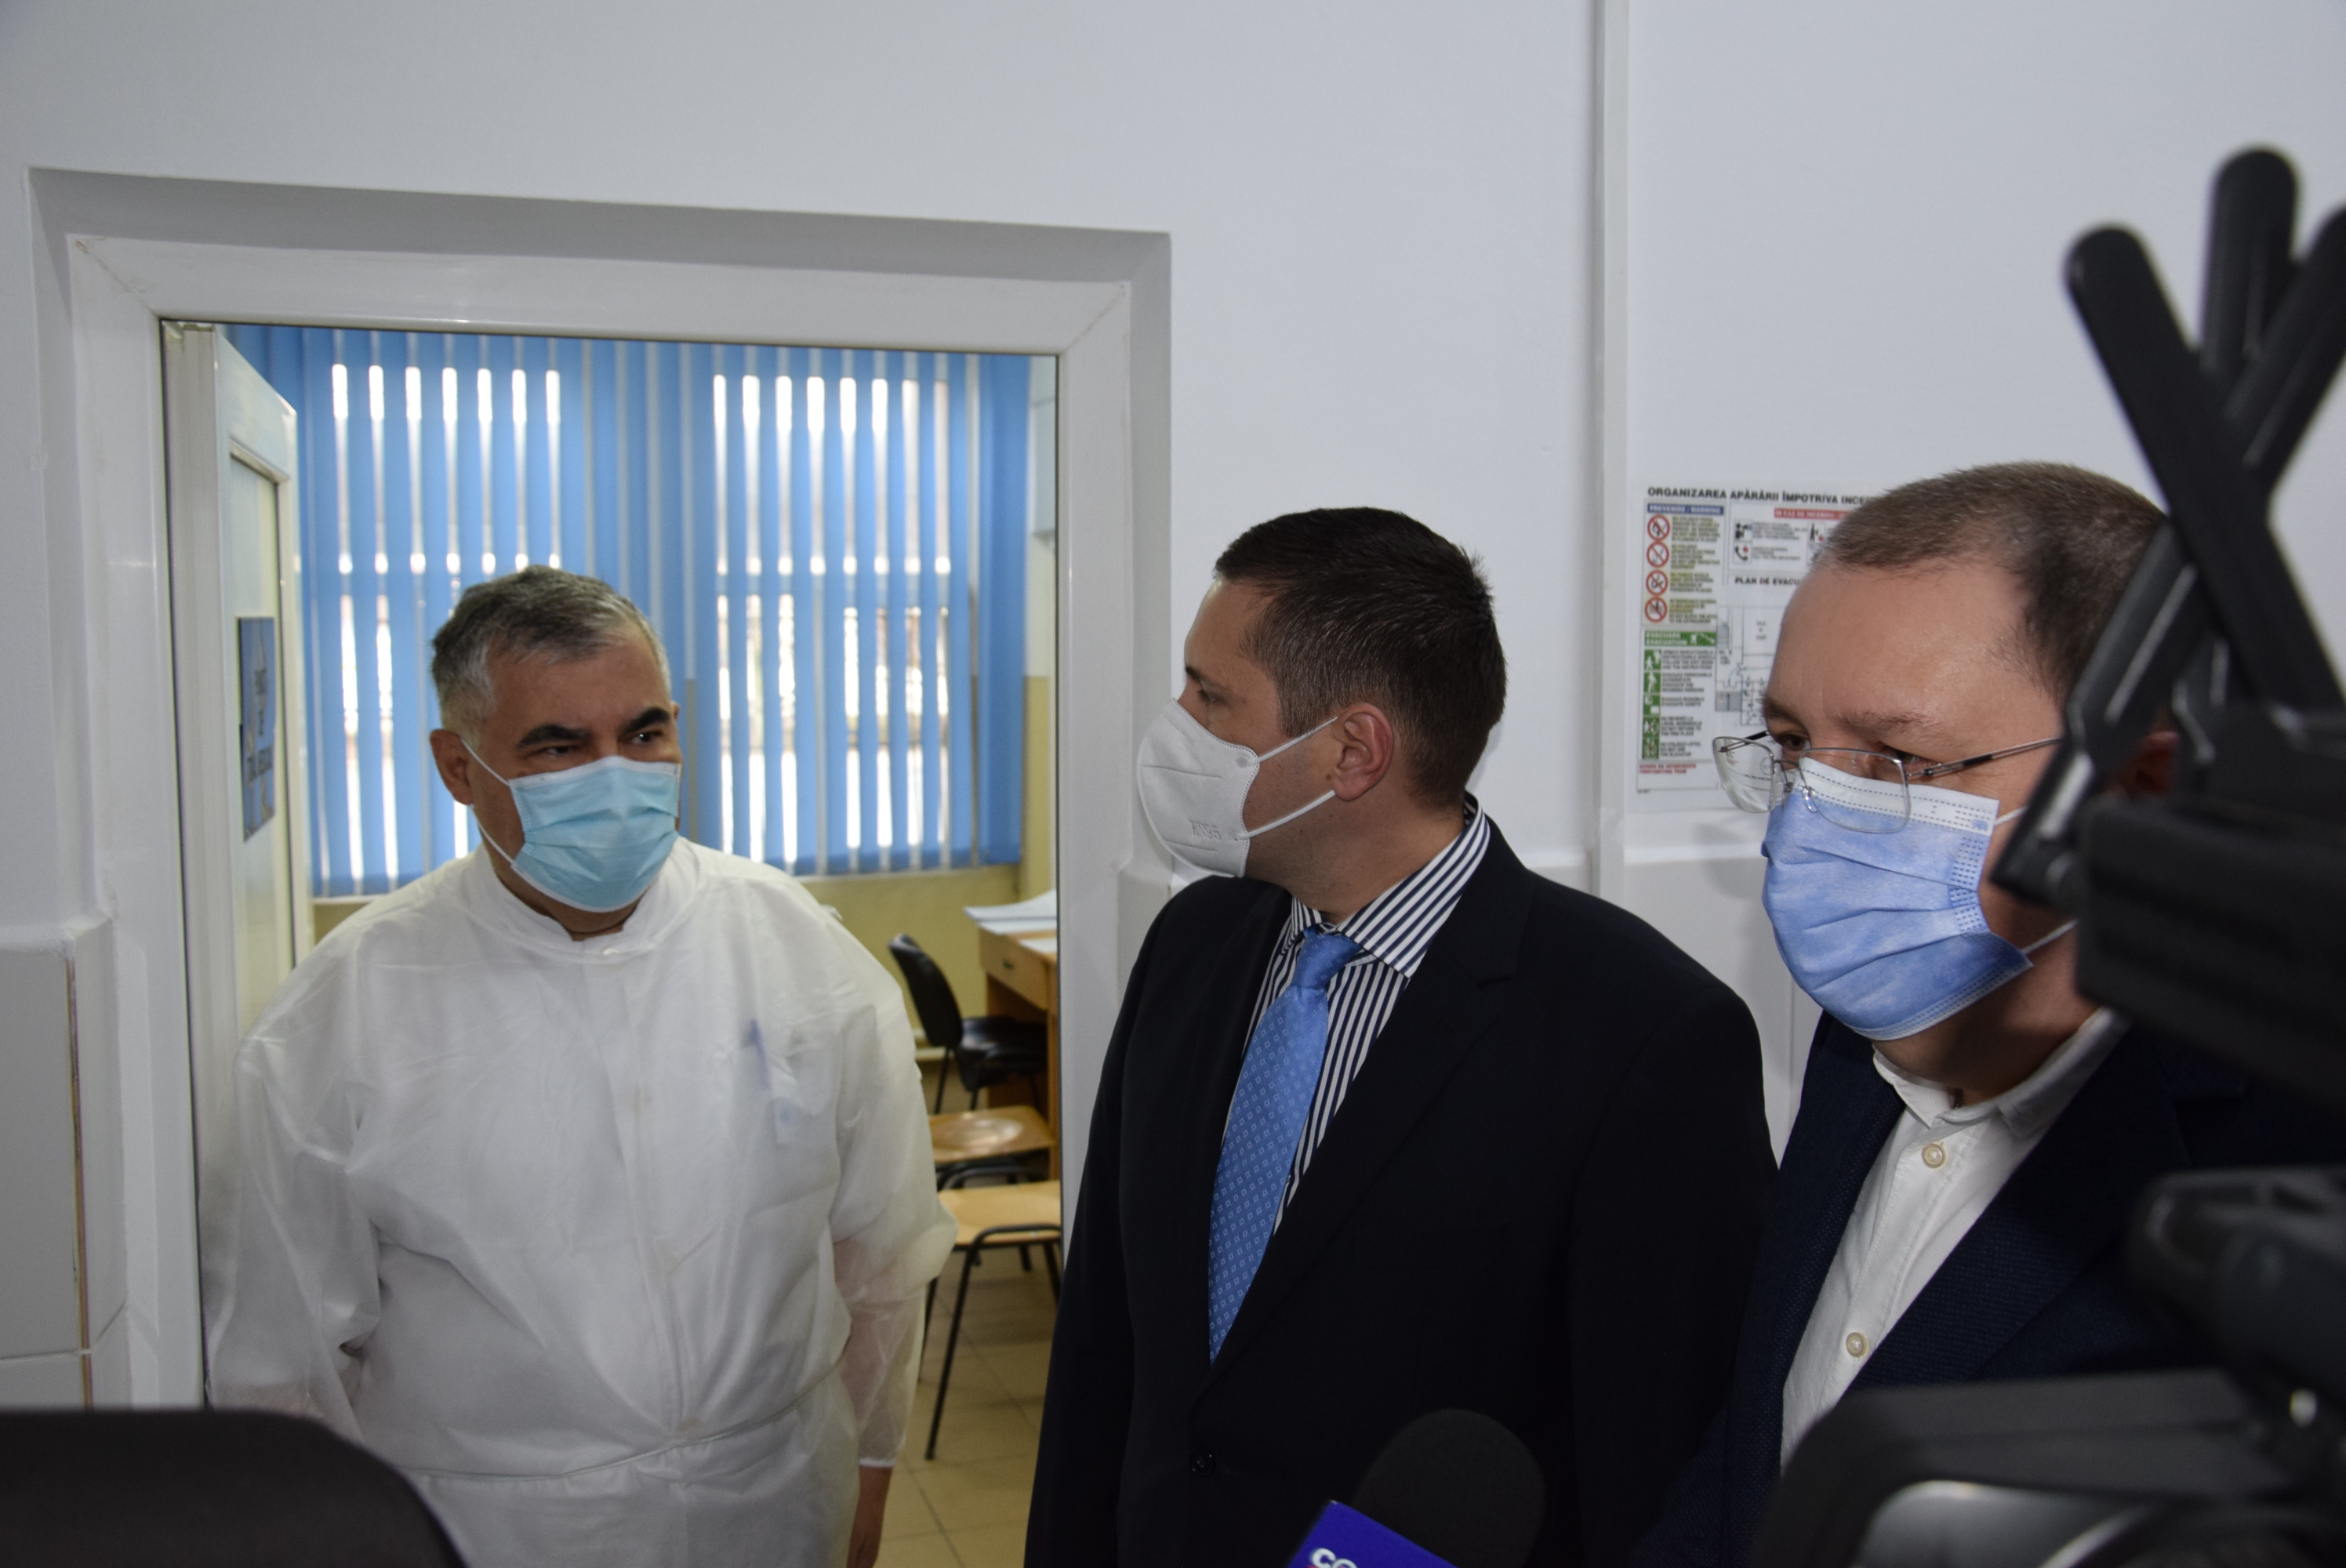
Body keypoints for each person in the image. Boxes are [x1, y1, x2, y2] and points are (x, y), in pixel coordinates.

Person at [1027, 508, 1776, 1568]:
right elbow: (1105, 1341)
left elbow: (1654, 1459)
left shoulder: (1644, 1037)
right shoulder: (1193, 945)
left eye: (1211, 696)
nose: (1177, 724)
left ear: (1351, 750)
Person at [1633, 463, 2346, 1568]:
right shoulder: (1871, 1022)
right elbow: (1759, 1440)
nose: (1806, 824)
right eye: (1794, 746)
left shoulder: (2285, 1193)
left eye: (1900, 762)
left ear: (2140, 792)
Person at [205, 568, 953, 1568]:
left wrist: (870, 1471)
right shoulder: (348, 1009)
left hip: (776, 1502)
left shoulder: (794, 950)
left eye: (643, 733)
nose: (615, 775)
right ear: (459, 766)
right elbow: (281, 1360)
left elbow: (883, 1254)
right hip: (489, 1529)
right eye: (558, 746)